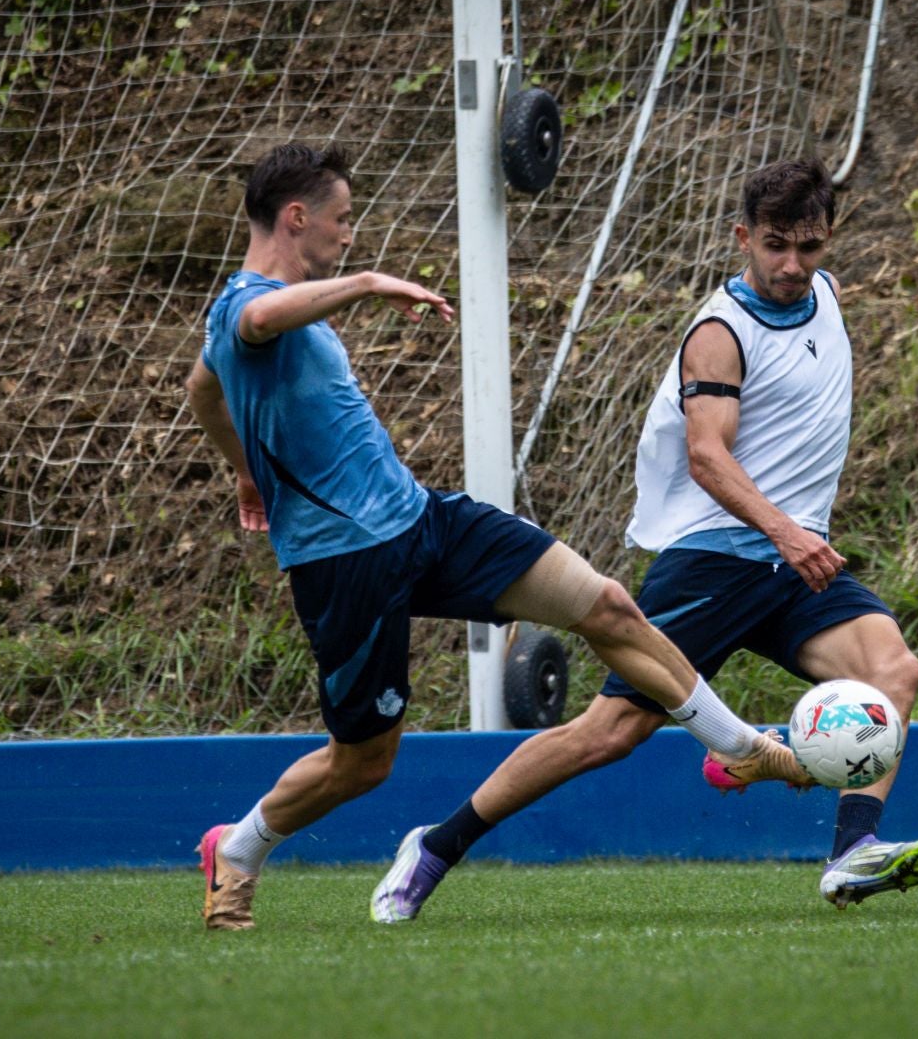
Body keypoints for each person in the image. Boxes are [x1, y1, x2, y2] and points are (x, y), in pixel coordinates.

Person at [182, 143, 810, 931]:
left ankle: (739, 744)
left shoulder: (260, 322)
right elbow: (255, 320)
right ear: (297, 217)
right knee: (364, 765)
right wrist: (369, 285)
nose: (350, 236)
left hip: (424, 521)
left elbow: (204, 389)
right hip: (344, 563)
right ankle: (237, 850)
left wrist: (247, 470)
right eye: (342, 221)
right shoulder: (246, 302)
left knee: (607, 607)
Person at [370, 159, 918, 923]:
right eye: (774, 245)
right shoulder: (719, 334)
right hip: (713, 559)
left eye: (808, 247)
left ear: (828, 240)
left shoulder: (827, 296)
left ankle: (850, 854)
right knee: (608, 733)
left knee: (893, 672)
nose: (791, 264)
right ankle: (436, 845)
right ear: (742, 236)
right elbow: (708, 456)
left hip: (791, 564)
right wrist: (788, 530)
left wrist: (795, 539)